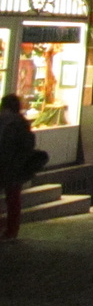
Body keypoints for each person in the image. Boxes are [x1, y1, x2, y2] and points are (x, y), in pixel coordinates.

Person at [1, 94, 39, 241]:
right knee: (13, 199)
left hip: (7, 164)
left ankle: (9, 230)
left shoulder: (6, 121)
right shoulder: (21, 122)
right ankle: (11, 230)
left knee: (12, 198)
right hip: (14, 166)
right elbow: (28, 144)